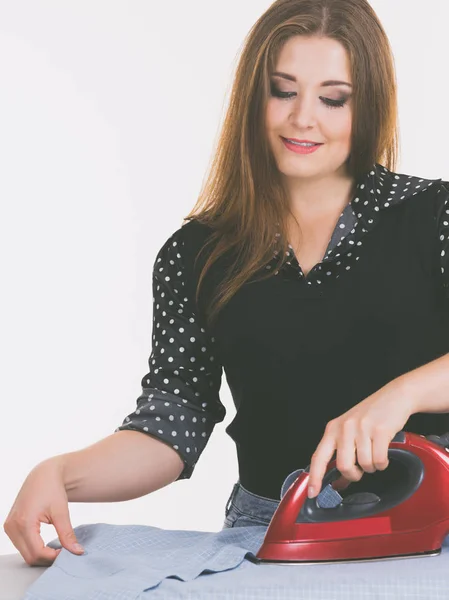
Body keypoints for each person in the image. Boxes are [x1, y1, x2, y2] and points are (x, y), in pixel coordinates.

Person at [4, 0, 449, 568]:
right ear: (251, 98)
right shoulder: (197, 256)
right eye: (282, 91)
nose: (302, 118)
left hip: (429, 528)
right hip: (268, 536)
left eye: (333, 98)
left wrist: (402, 395)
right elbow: (174, 424)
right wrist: (62, 474)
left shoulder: (435, 218)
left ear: (369, 108)